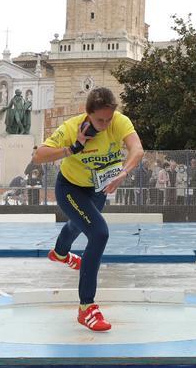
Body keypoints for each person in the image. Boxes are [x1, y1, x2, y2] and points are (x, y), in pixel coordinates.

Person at [30, 87, 144, 332]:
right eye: (98, 120)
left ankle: (60, 253)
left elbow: (138, 150)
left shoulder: (119, 122)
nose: (104, 125)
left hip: (99, 188)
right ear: (88, 114)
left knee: (79, 224)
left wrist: (123, 173)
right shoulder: (72, 128)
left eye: (108, 119)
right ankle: (86, 308)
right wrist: (72, 149)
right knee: (99, 233)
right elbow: (38, 155)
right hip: (70, 188)